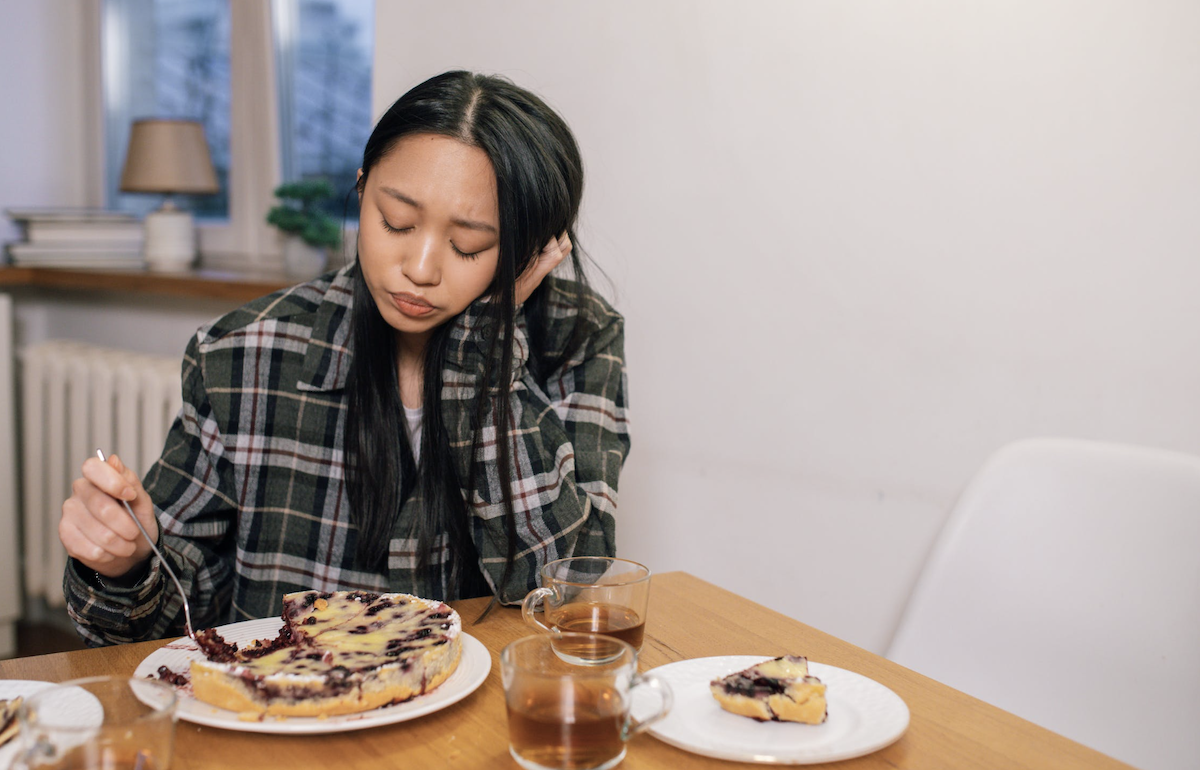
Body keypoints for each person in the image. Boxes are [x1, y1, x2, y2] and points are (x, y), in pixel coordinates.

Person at [59, 71, 630, 646]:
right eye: (396, 222)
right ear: (361, 188)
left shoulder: (577, 338)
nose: (421, 268)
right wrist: (126, 564)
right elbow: (172, 615)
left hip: (482, 722)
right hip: (289, 713)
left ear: (532, 250)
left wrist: (484, 353)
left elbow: (571, 599)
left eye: (468, 246)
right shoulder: (243, 352)